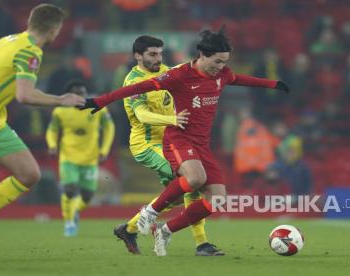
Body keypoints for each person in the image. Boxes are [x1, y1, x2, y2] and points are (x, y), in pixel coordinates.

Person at [81, 26, 289, 256]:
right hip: (173, 139)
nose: (221, 67)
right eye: (218, 62)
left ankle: (165, 230)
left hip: (201, 145)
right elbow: (138, 90)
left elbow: (239, 78)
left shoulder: (221, 75)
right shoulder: (178, 75)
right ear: (203, 55)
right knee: (194, 179)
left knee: (217, 200)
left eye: (224, 62)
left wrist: (272, 84)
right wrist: (100, 101)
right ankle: (153, 214)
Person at [0, 4, 84, 257]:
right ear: (55, 29)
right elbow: (25, 95)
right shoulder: (30, 52)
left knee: (29, 174)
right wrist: (61, 100)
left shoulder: (8, 40)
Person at [112, 35, 223, 256]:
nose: (158, 58)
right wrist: (172, 120)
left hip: (174, 141)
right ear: (137, 56)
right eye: (152, 54)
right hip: (147, 143)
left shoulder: (167, 72)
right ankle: (201, 243)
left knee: (192, 183)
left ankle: (130, 228)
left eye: (160, 53)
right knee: (193, 181)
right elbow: (141, 114)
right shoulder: (133, 81)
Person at [46, 80, 115, 237]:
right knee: (69, 189)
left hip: (90, 158)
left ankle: (75, 211)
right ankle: (69, 222)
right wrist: (52, 145)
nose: (80, 96)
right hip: (68, 156)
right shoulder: (60, 111)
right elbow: (52, 130)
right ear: (69, 96)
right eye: (76, 94)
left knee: (87, 195)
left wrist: (105, 149)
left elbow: (110, 128)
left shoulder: (97, 109)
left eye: (82, 93)